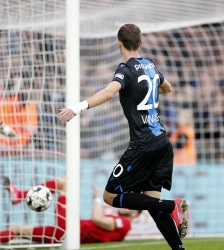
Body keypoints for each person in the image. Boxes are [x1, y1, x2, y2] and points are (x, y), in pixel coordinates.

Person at [59, 24, 188, 249]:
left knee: (110, 197)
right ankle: (179, 247)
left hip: (143, 145)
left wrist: (78, 107)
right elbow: (168, 88)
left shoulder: (125, 70)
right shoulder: (151, 65)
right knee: (152, 203)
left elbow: (109, 92)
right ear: (141, 43)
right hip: (162, 143)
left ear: (119, 44)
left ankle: (172, 205)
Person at [0, 176, 140, 244]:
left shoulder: (125, 223)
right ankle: (18, 196)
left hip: (71, 228)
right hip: (64, 234)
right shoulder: (120, 226)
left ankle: (19, 195)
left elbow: (98, 219)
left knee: (64, 182)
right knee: (17, 229)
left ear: (135, 213)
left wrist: (97, 198)